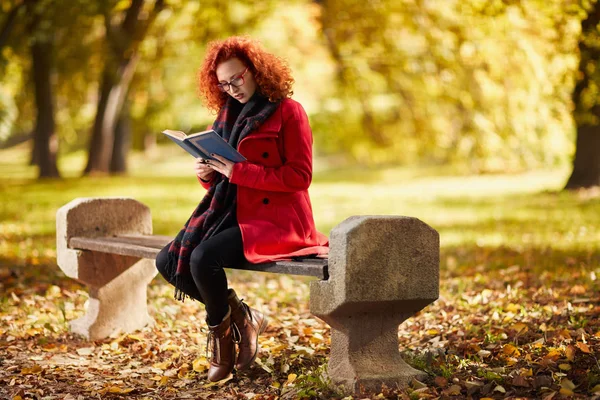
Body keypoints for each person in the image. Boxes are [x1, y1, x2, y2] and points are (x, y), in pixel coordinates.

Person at [155, 36, 329, 382]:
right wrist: (206, 173)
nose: (232, 88)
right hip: (234, 210)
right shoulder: (224, 117)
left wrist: (239, 171)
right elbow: (223, 178)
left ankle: (223, 346)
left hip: (279, 219)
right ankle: (243, 318)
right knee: (167, 261)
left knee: (202, 258)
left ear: (256, 71)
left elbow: (300, 176)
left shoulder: (289, 111)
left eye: (237, 78)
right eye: (223, 83)